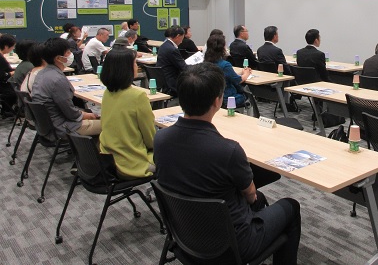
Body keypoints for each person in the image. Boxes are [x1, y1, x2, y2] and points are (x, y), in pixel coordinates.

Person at [153, 63, 301, 265]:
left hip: (184, 235)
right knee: (290, 206)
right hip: (231, 245)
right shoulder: (228, 150)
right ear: (218, 100)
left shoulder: (160, 139)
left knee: (259, 198)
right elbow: (250, 195)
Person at [99, 48, 156, 179]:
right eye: (135, 63)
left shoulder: (107, 93)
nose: (137, 67)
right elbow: (150, 138)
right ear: (126, 69)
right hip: (132, 164)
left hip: (108, 159)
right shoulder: (138, 96)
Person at [31, 38, 101, 137]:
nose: (71, 55)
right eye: (68, 52)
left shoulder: (42, 73)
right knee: (111, 125)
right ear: (58, 58)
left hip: (50, 124)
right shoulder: (57, 79)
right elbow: (71, 113)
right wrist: (86, 115)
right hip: (64, 126)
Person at [204, 34, 251, 107]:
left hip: (211, 97)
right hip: (227, 98)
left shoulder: (205, 63)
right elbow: (238, 80)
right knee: (248, 95)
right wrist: (246, 73)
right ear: (222, 48)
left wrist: (241, 72)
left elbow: (226, 74)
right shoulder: (225, 65)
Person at [156, 25, 187, 96]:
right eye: (182, 38)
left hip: (164, 80)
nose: (182, 41)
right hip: (172, 82)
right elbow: (183, 67)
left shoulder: (163, 46)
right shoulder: (172, 50)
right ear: (178, 36)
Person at [0, 34, 17, 116]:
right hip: (2, 85)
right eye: (12, 47)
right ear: (6, 46)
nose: (13, 48)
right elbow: (3, 75)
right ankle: (7, 110)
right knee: (15, 91)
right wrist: (13, 72)